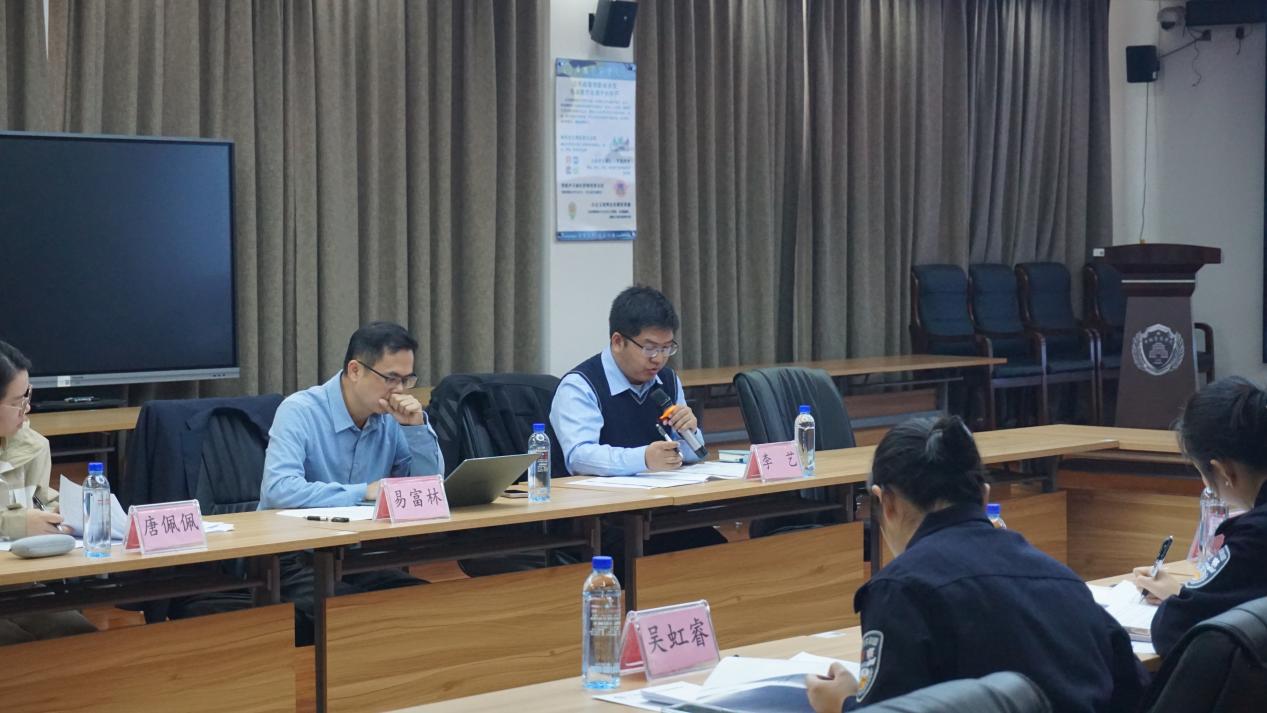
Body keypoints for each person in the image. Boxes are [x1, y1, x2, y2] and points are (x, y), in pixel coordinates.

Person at [806, 416, 1147, 712]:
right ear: (984, 497)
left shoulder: (900, 589)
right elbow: (1136, 691)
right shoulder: (1064, 579)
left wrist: (843, 704)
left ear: (886, 502)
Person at [258, 321, 443, 644]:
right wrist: (363, 492)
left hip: (359, 555)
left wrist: (415, 428)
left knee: (427, 604)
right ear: (355, 370)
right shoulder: (300, 411)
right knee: (357, 613)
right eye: (391, 378)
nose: (400, 391)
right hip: (292, 558)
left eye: (406, 380)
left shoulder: (391, 419)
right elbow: (279, 489)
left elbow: (427, 491)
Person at [550, 286, 724, 553]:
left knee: (714, 548)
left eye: (667, 348)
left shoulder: (667, 380)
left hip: (659, 512)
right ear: (618, 341)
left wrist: (690, 432)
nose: (659, 359)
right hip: (599, 522)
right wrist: (644, 458)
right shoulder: (581, 385)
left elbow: (690, 455)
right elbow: (579, 457)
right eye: (650, 348)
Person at [1133, 376, 1267, 657]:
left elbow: (1173, 628)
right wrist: (1187, 594)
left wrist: (1183, 599)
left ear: (1223, 471)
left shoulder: (1254, 538)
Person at [0, 340, 97, 644]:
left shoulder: (31, 446)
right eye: (18, 401)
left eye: (28, 396)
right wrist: (16, 524)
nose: (27, 408)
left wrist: (66, 510)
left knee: (78, 636)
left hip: (14, 584)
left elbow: (38, 498)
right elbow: (18, 518)